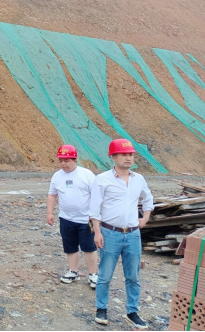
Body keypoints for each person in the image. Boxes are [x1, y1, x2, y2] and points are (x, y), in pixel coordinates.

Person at [89, 139, 154, 330]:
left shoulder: (138, 179)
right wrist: (97, 232)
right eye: (124, 154)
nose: (128, 158)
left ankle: (132, 312)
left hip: (133, 235)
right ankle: (101, 309)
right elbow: (94, 208)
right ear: (114, 157)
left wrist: (145, 218)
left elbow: (148, 198)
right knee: (105, 275)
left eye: (131, 155)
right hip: (110, 233)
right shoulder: (102, 179)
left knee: (133, 276)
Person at [47, 144, 98, 288]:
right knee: (70, 246)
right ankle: (73, 271)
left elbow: (96, 195)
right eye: (61, 160)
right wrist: (50, 213)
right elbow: (52, 195)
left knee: (89, 247)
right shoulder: (57, 176)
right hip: (66, 218)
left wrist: (94, 215)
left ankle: (93, 274)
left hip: (85, 219)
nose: (63, 164)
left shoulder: (86, 175)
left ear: (75, 160)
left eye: (67, 160)